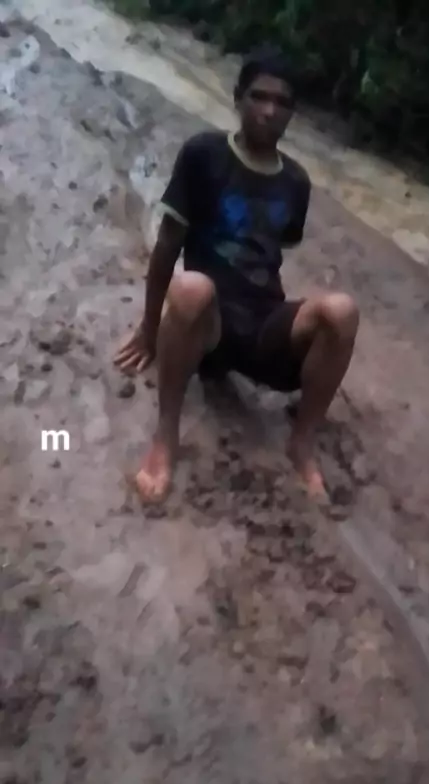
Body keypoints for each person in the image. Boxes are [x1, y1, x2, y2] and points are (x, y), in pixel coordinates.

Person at [114, 47, 359, 502]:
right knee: (190, 287)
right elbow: (167, 246)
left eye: (282, 102)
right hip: (209, 327)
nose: (269, 110)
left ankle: (301, 443)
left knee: (342, 311)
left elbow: (272, 253)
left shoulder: (296, 182)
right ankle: (166, 435)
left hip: (264, 324)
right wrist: (149, 329)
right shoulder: (203, 154)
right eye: (258, 97)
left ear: (292, 113)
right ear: (237, 99)